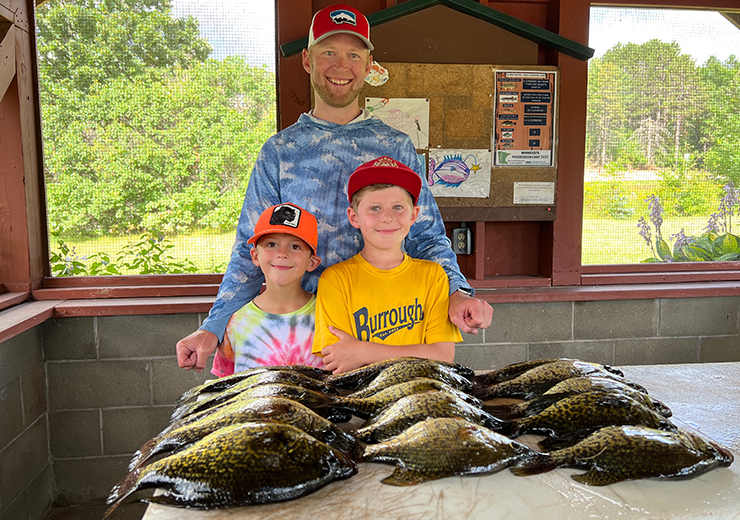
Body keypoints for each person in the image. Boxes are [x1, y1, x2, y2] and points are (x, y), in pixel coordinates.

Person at [177, 3, 492, 373]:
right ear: (308, 61)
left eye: (353, 55)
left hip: (387, 328)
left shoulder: (396, 147)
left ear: (368, 64)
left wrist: (458, 293)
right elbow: (251, 249)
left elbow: (427, 236)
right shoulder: (280, 152)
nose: (341, 67)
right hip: (303, 332)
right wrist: (212, 329)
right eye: (328, 52)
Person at [312, 157, 462, 374]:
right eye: (374, 208)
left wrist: (364, 351)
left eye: (398, 207)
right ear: (354, 217)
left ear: (413, 215)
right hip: (362, 397)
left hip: (421, 392)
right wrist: (418, 354)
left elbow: (443, 356)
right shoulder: (335, 279)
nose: (387, 218)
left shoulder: (433, 275)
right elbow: (338, 359)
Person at [211, 202, 323, 377]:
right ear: (255, 256)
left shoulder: (328, 316)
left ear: (312, 262)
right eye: (271, 244)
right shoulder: (237, 322)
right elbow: (226, 389)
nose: (282, 253)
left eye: (295, 246)